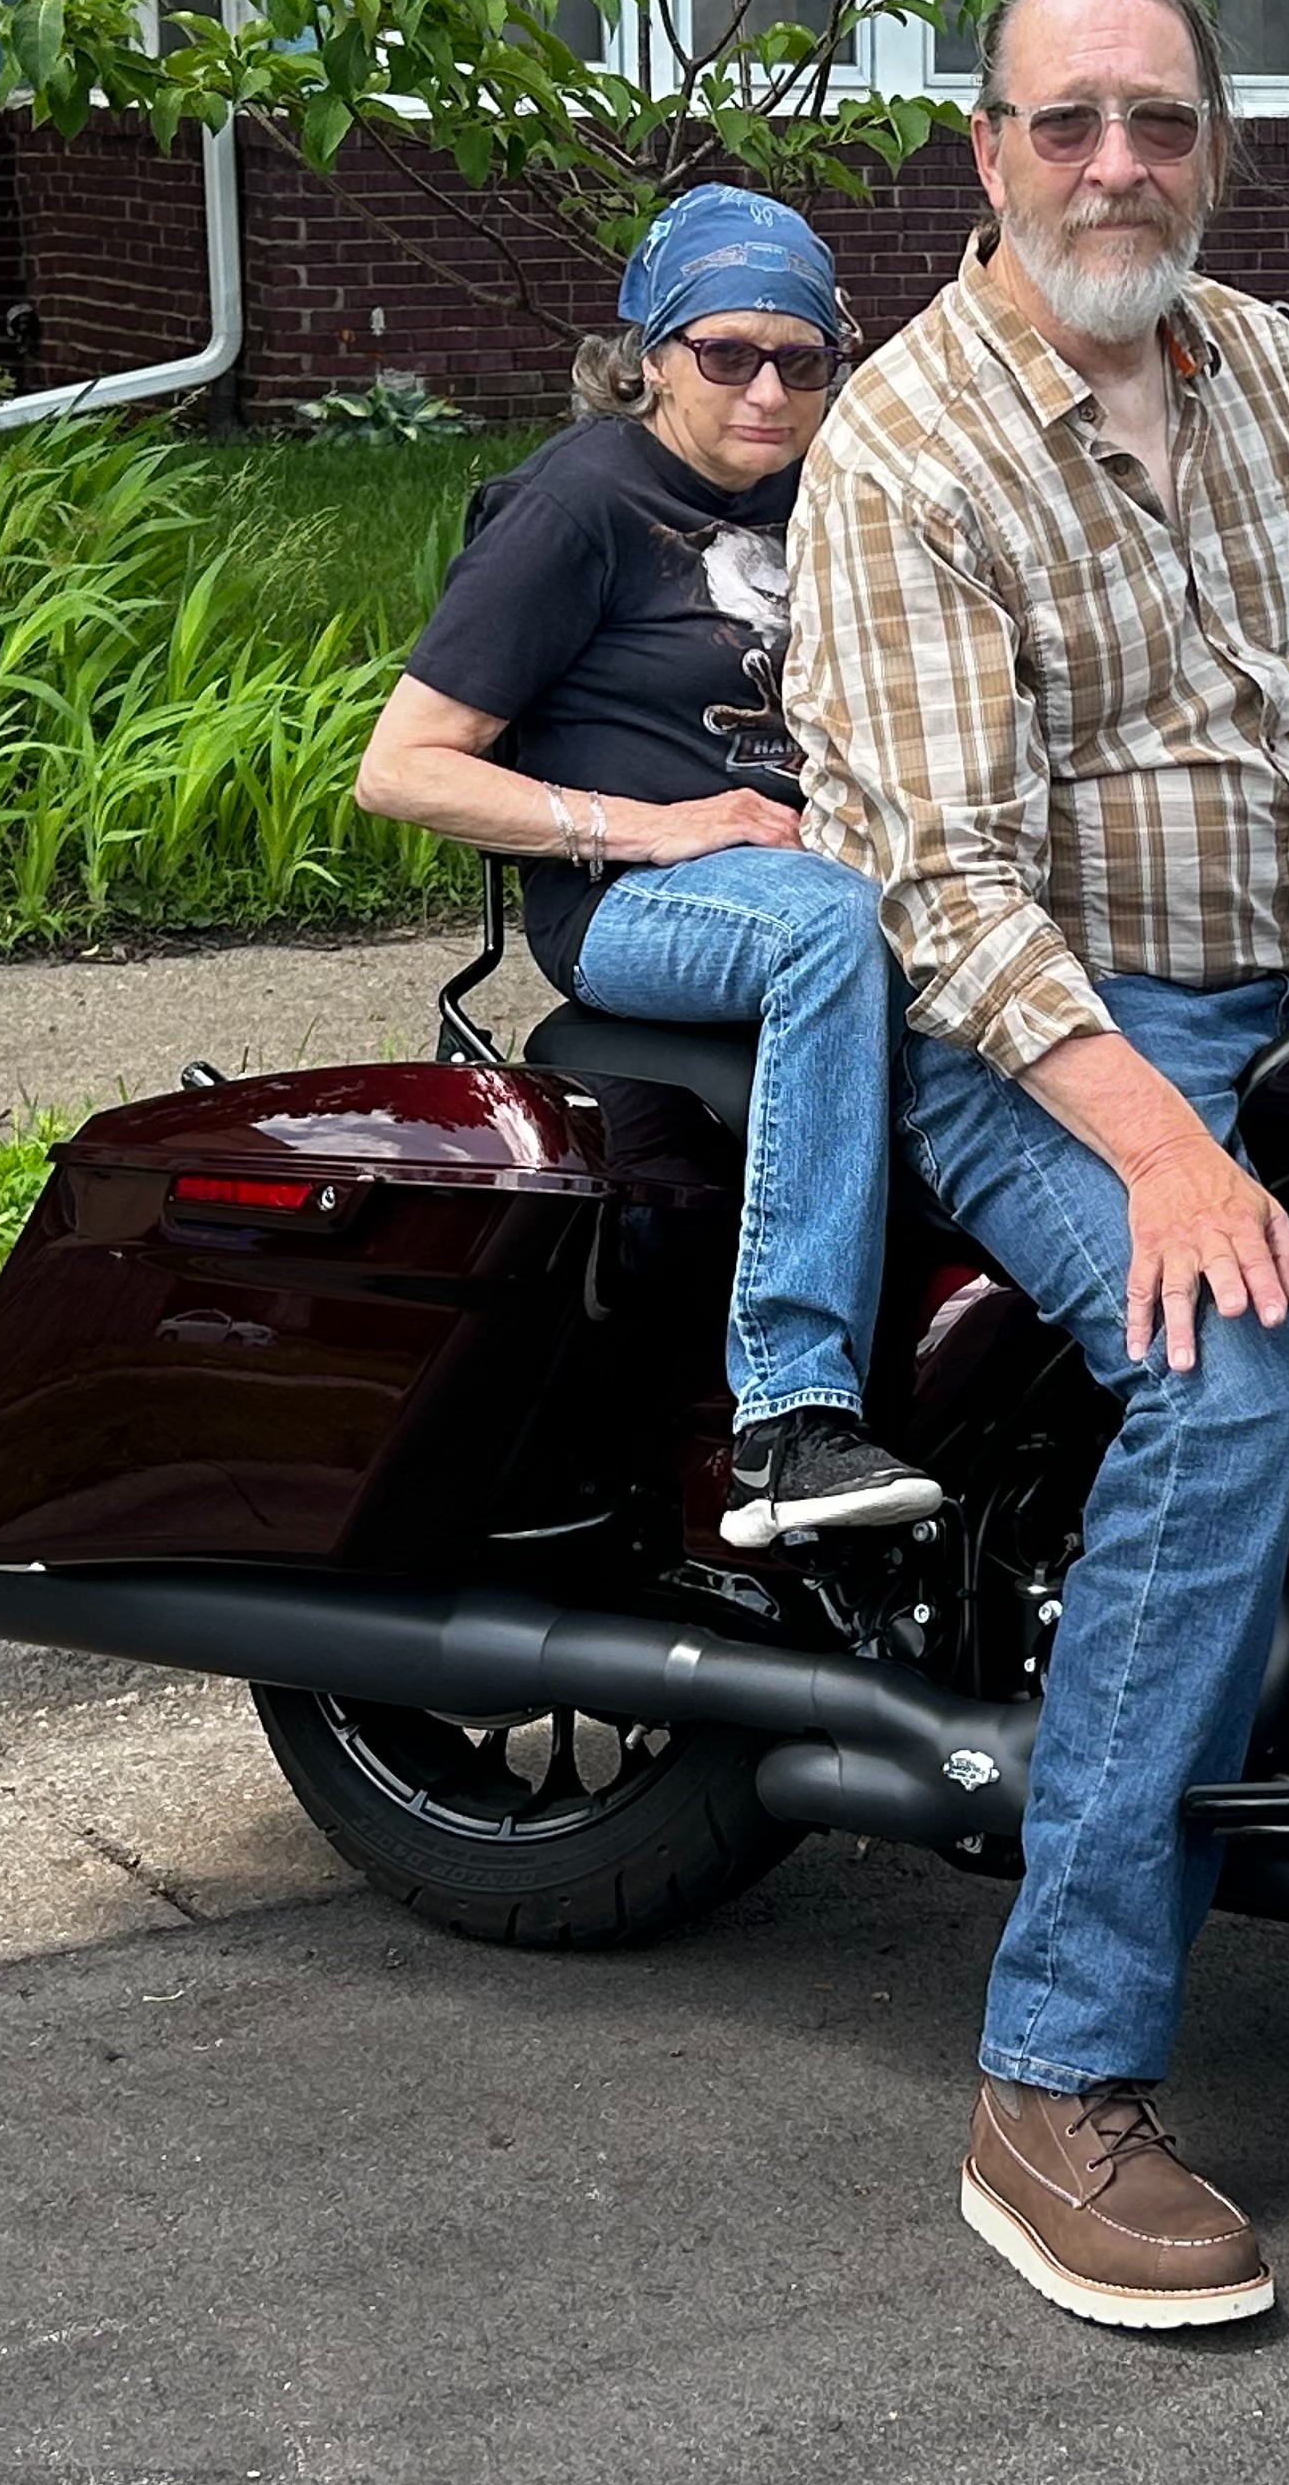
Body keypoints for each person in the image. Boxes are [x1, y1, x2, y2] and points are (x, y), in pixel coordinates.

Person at [789, 0, 1289, 2330]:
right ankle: (1054, 2075)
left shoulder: (1266, 366)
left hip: (1267, 999)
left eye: (1161, 121)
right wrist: (1166, 1156)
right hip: (1027, 1042)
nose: (1118, 163)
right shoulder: (904, 445)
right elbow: (944, 895)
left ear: (1216, 151)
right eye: (1069, 121)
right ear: (988, 153)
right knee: (1231, 1387)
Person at [353, 185, 942, 1552]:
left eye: (801, 361)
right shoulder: (579, 505)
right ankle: (788, 1420)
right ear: (652, 357)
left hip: (818, 874)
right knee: (828, 928)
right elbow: (405, 768)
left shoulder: (835, 490)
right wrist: (658, 825)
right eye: (726, 354)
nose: (767, 392)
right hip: (633, 904)